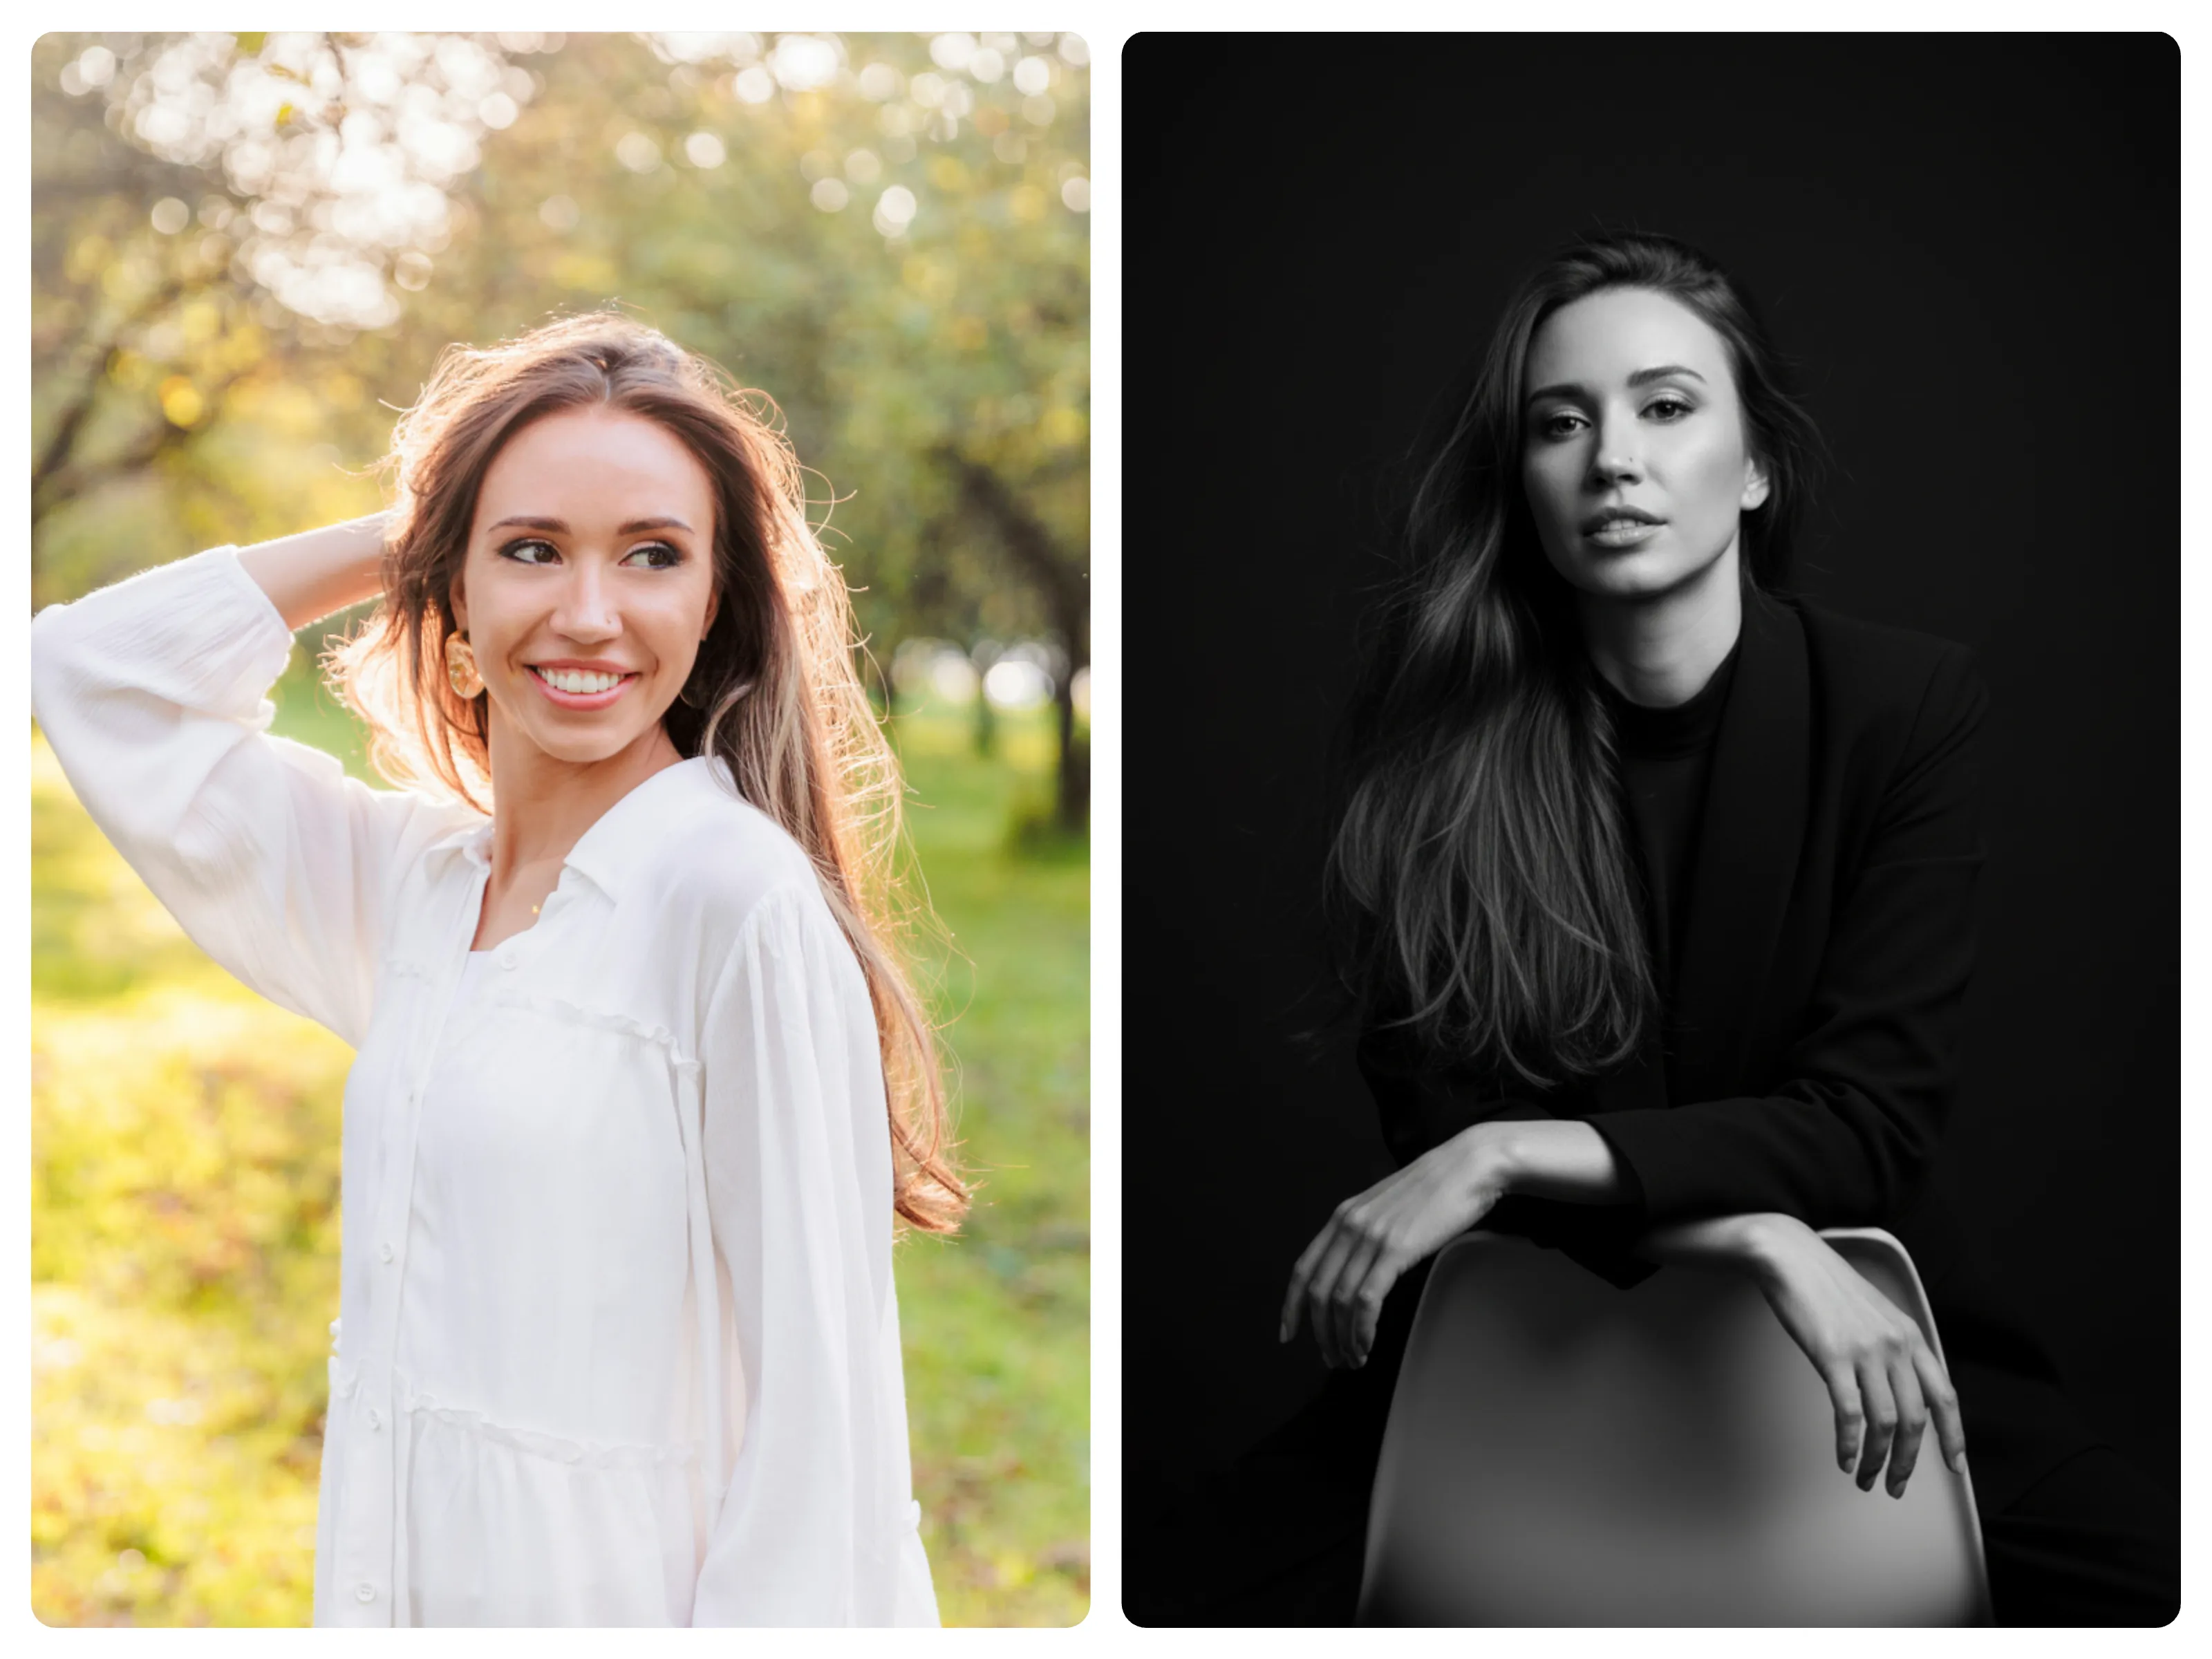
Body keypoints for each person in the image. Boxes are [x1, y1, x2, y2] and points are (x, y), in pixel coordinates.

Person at [1153, 232, 2175, 1625]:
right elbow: (1441, 1138)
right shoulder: (1434, 756)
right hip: (1513, 1344)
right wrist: (1753, 1237)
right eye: (1559, 423)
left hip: (1873, 1349)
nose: (1610, 459)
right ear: (1521, 484)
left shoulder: (1903, 709)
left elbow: (1864, 1125)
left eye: (1666, 407)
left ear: (1753, 467)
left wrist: (1511, 1146)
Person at [30, 314, 966, 1627]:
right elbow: (93, 675)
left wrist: (495, 527)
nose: (590, 615)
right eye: (531, 550)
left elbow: (829, 1434)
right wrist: (406, 537)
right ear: (452, 591)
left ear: (717, 600)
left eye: (653, 555)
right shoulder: (415, 894)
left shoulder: (730, 901)